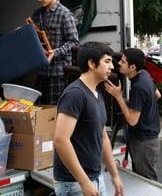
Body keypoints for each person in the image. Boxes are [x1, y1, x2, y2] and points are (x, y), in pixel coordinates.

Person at [53, 42, 124, 196]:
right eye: (107, 61)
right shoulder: (75, 94)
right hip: (74, 184)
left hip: (95, 178)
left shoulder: (98, 95)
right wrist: (84, 182)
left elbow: (103, 136)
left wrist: (114, 175)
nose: (112, 66)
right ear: (91, 64)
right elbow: (60, 140)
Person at [104, 48, 162, 180]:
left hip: (143, 144)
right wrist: (133, 104)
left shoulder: (138, 87)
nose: (119, 63)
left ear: (132, 67)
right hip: (150, 140)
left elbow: (132, 120)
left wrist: (118, 97)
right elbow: (157, 95)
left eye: (123, 62)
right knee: (146, 181)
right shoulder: (144, 75)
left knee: (147, 184)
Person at [30, 0, 79, 104]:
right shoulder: (37, 14)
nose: (39, 0)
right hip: (41, 72)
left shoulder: (64, 14)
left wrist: (55, 52)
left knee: (54, 112)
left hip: (58, 72)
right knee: (38, 111)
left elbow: (74, 42)